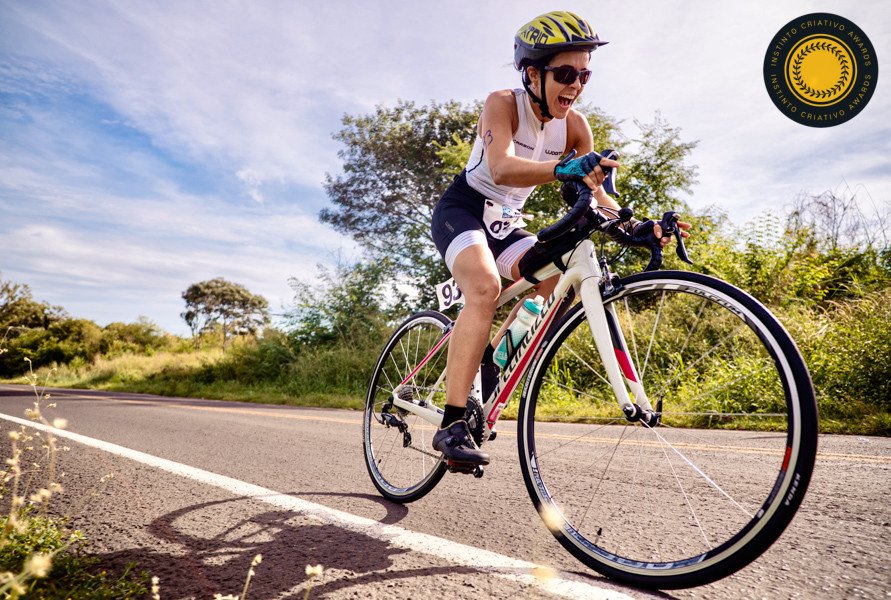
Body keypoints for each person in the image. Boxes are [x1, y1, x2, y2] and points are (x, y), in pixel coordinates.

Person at [429, 11, 688, 467]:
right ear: (532, 73)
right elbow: (503, 167)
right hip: (463, 210)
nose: (576, 85)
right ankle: (451, 423)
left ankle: (492, 356)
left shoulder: (576, 127)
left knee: (554, 283)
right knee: (485, 290)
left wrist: (641, 227)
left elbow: (601, 197)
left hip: (507, 223)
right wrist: (564, 168)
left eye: (584, 74)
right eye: (566, 73)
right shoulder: (502, 104)